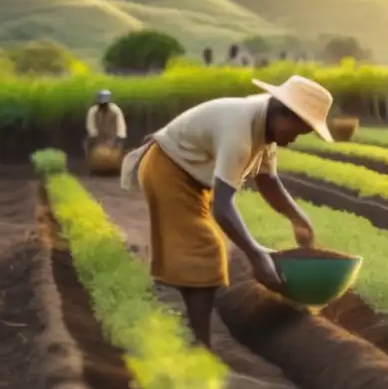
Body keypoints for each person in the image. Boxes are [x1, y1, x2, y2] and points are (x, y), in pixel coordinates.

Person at [119, 74, 333, 349]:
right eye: (297, 131)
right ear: (284, 115)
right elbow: (223, 206)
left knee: (200, 250)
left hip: (192, 174)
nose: (294, 140)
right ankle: (201, 345)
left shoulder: (265, 128)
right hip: (168, 169)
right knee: (205, 249)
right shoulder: (241, 130)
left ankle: (195, 333)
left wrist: (299, 219)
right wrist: (255, 253)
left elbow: (268, 181)